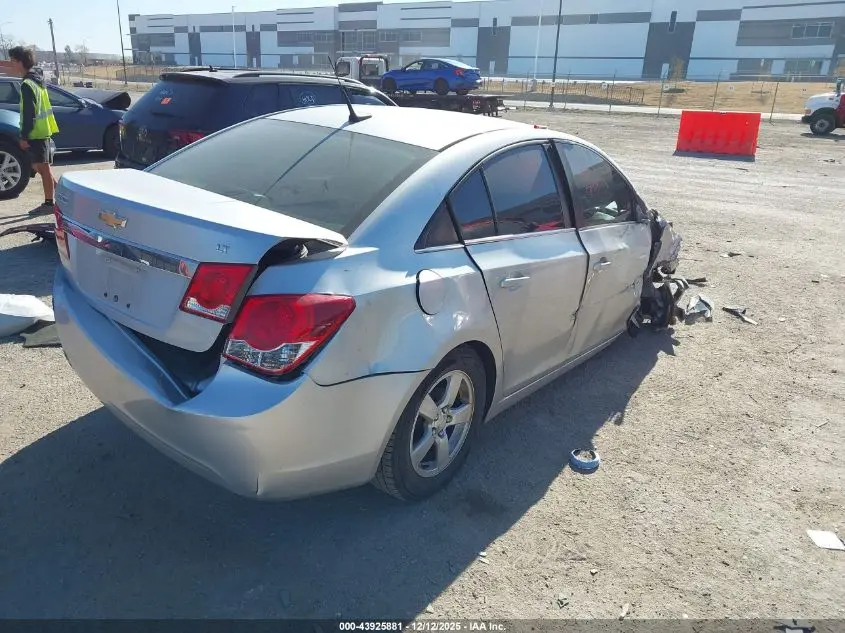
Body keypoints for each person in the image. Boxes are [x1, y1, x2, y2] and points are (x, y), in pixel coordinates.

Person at [7, 46, 59, 215]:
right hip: (42, 131)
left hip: (37, 133)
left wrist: (24, 136)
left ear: (20, 62)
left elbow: (30, 112)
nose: (10, 65)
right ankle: (62, 197)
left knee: (43, 169)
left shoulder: (28, 84)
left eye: (12, 61)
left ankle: (50, 203)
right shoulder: (35, 80)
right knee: (41, 167)